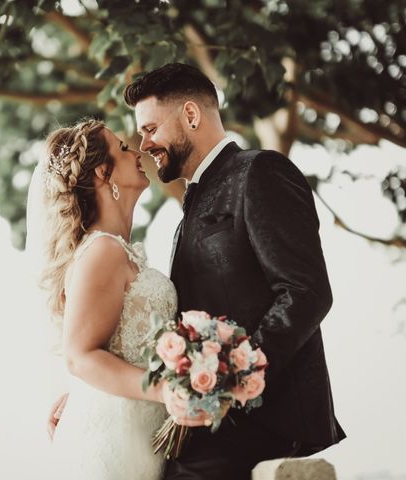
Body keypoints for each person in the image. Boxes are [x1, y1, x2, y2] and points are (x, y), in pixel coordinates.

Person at [49, 63, 346, 480]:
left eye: (150, 128)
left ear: (190, 115)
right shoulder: (189, 208)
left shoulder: (258, 172)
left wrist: (231, 378)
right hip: (204, 422)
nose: (143, 143)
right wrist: (93, 396)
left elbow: (306, 291)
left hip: (262, 418)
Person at [35, 119, 195, 479]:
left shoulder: (117, 251)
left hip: (136, 436)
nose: (137, 152)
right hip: (112, 442)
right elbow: (80, 355)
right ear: (103, 174)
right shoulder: (103, 251)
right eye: (123, 149)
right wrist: (167, 390)